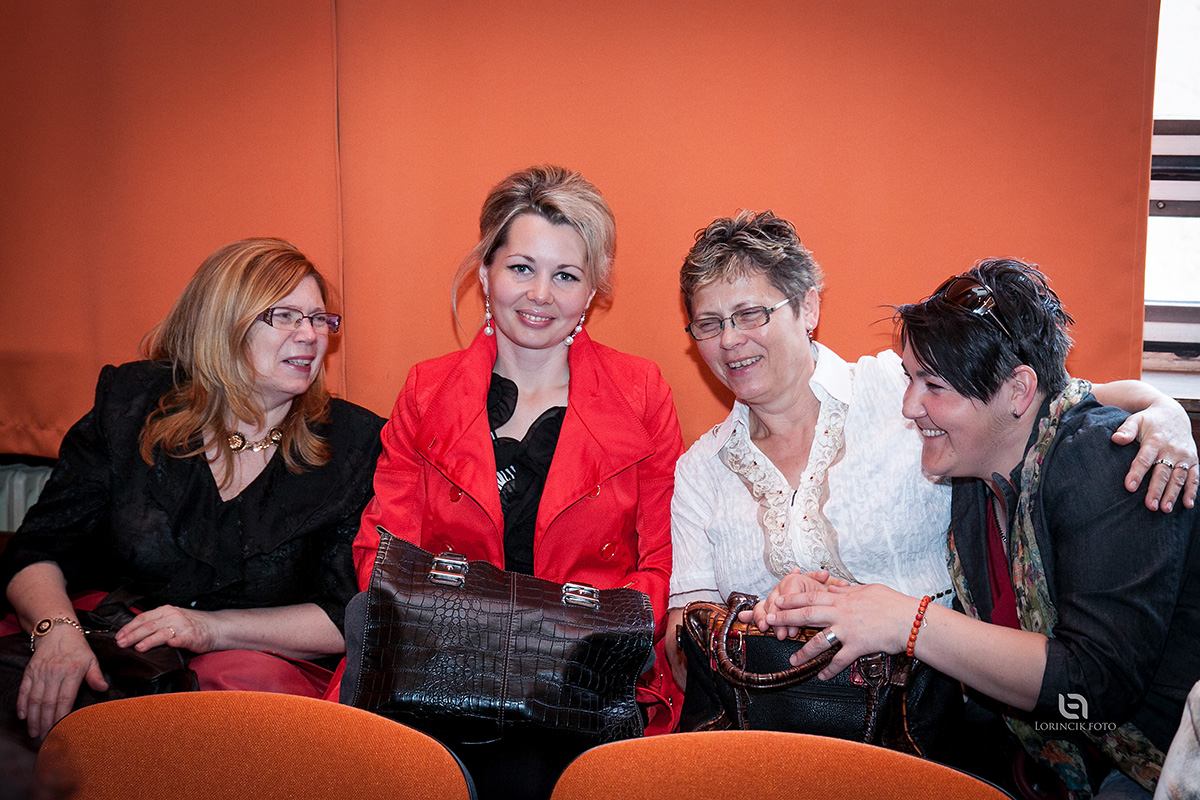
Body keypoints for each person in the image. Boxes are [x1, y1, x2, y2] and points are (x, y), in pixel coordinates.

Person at [667, 212, 1198, 694]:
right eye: (709, 323)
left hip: (944, 708)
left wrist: (1160, 405)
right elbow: (684, 648)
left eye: (751, 314)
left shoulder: (896, 385)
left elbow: (1036, 402)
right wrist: (766, 617)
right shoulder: (700, 469)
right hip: (787, 714)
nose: (729, 340)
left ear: (808, 307)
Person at [758, 258, 1199, 798]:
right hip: (1050, 757)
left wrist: (909, 623)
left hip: (1155, 767)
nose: (909, 407)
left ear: (1018, 391)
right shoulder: (978, 473)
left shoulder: (1108, 464)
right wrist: (831, 598)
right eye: (909, 378)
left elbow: (1092, 690)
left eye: (934, 385)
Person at [346, 165, 682, 799]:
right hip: (437, 676)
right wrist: (476, 641)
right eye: (521, 268)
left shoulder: (641, 393)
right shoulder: (426, 390)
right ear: (485, 273)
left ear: (592, 291)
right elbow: (381, 554)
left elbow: (662, 563)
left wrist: (559, 643)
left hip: (580, 684)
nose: (540, 295)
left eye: (566, 276)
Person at [0, 238, 384, 743]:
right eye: (285, 316)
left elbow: (352, 612)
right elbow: (39, 547)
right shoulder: (132, 403)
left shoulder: (356, 444)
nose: (310, 335)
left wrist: (212, 629)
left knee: (235, 727)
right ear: (223, 322)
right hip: (109, 641)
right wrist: (57, 633)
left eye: (319, 319)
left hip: (252, 673)